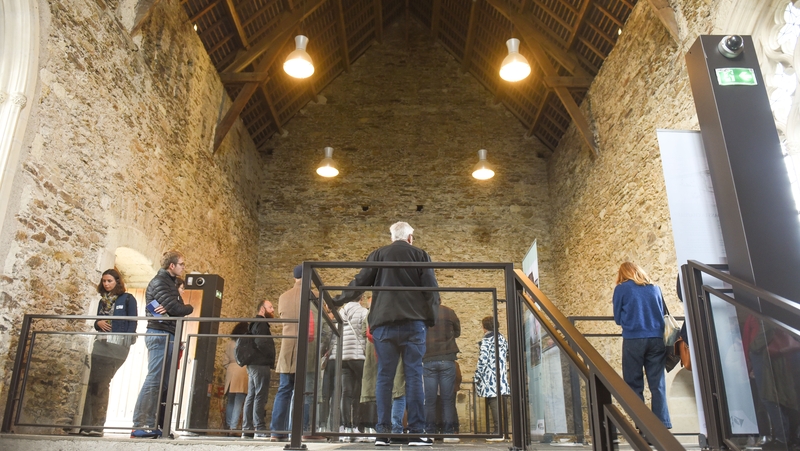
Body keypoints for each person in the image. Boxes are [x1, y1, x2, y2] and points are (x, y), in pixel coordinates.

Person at [333, 221, 440, 446]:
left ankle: (382, 433)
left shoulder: (378, 255)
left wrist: (337, 300)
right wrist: (430, 319)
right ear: (410, 237)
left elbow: (359, 282)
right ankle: (416, 433)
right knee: (413, 377)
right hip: (413, 323)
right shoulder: (421, 255)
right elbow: (431, 289)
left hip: (383, 324)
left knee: (384, 377)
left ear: (392, 237)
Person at [131, 250, 194, 438]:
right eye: (181, 264)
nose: (184, 267)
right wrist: (187, 307)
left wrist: (176, 307)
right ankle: (140, 424)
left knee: (163, 383)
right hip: (159, 333)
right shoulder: (160, 282)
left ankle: (152, 424)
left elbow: (174, 309)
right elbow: (178, 309)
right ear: (171, 266)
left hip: (168, 333)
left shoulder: (170, 284)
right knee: (154, 380)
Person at [612, 261, 671, 429]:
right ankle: (662, 426)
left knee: (633, 383)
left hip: (634, 339)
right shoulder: (655, 288)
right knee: (657, 384)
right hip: (656, 339)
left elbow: (617, 318)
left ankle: (643, 426)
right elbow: (661, 313)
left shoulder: (622, 289)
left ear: (622, 274)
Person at [79, 269, 138, 436]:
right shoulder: (101, 302)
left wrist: (128, 340)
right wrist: (99, 323)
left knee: (101, 382)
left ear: (117, 282)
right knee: (94, 383)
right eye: (104, 281)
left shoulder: (127, 299)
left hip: (117, 346)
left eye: (109, 281)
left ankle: (96, 426)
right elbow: (97, 322)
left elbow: (133, 321)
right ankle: (89, 425)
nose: (106, 284)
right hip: (101, 344)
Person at [270, 264, 317, 442]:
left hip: (287, 349)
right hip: (307, 348)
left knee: (284, 390)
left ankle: (276, 432)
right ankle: (302, 430)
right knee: (305, 391)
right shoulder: (315, 296)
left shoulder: (283, 297)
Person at [422, 303, 460, 442]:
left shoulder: (423, 312)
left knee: (430, 400)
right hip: (447, 358)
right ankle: (448, 433)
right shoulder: (449, 311)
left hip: (428, 359)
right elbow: (457, 332)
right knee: (447, 399)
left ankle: (430, 432)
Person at [242, 300, 276, 440]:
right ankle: (259, 428)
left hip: (253, 364)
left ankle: (247, 428)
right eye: (270, 307)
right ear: (262, 309)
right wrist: (270, 356)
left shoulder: (254, 323)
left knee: (252, 395)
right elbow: (261, 342)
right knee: (260, 395)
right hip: (260, 364)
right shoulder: (261, 324)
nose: (273, 310)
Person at [474, 316, 509, 442]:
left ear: (484, 327)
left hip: (490, 376)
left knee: (493, 402)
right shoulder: (502, 339)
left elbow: (483, 360)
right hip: (501, 375)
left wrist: (476, 376)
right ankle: (504, 431)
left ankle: (497, 432)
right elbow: (508, 354)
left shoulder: (487, 340)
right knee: (502, 403)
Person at [339, 294, 369, 441]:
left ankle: (346, 427)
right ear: (361, 298)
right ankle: (357, 427)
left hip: (343, 356)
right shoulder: (363, 312)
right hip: (358, 356)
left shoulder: (340, 312)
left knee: (346, 393)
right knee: (359, 393)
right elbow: (366, 332)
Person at [224, 322, 249, 435]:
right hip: (242, 370)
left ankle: (229, 425)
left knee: (230, 401)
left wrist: (229, 367)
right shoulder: (246, 343)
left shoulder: (230, 343)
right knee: (239, 401)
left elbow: (224, 361)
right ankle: (233, 428)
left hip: (231, 371)